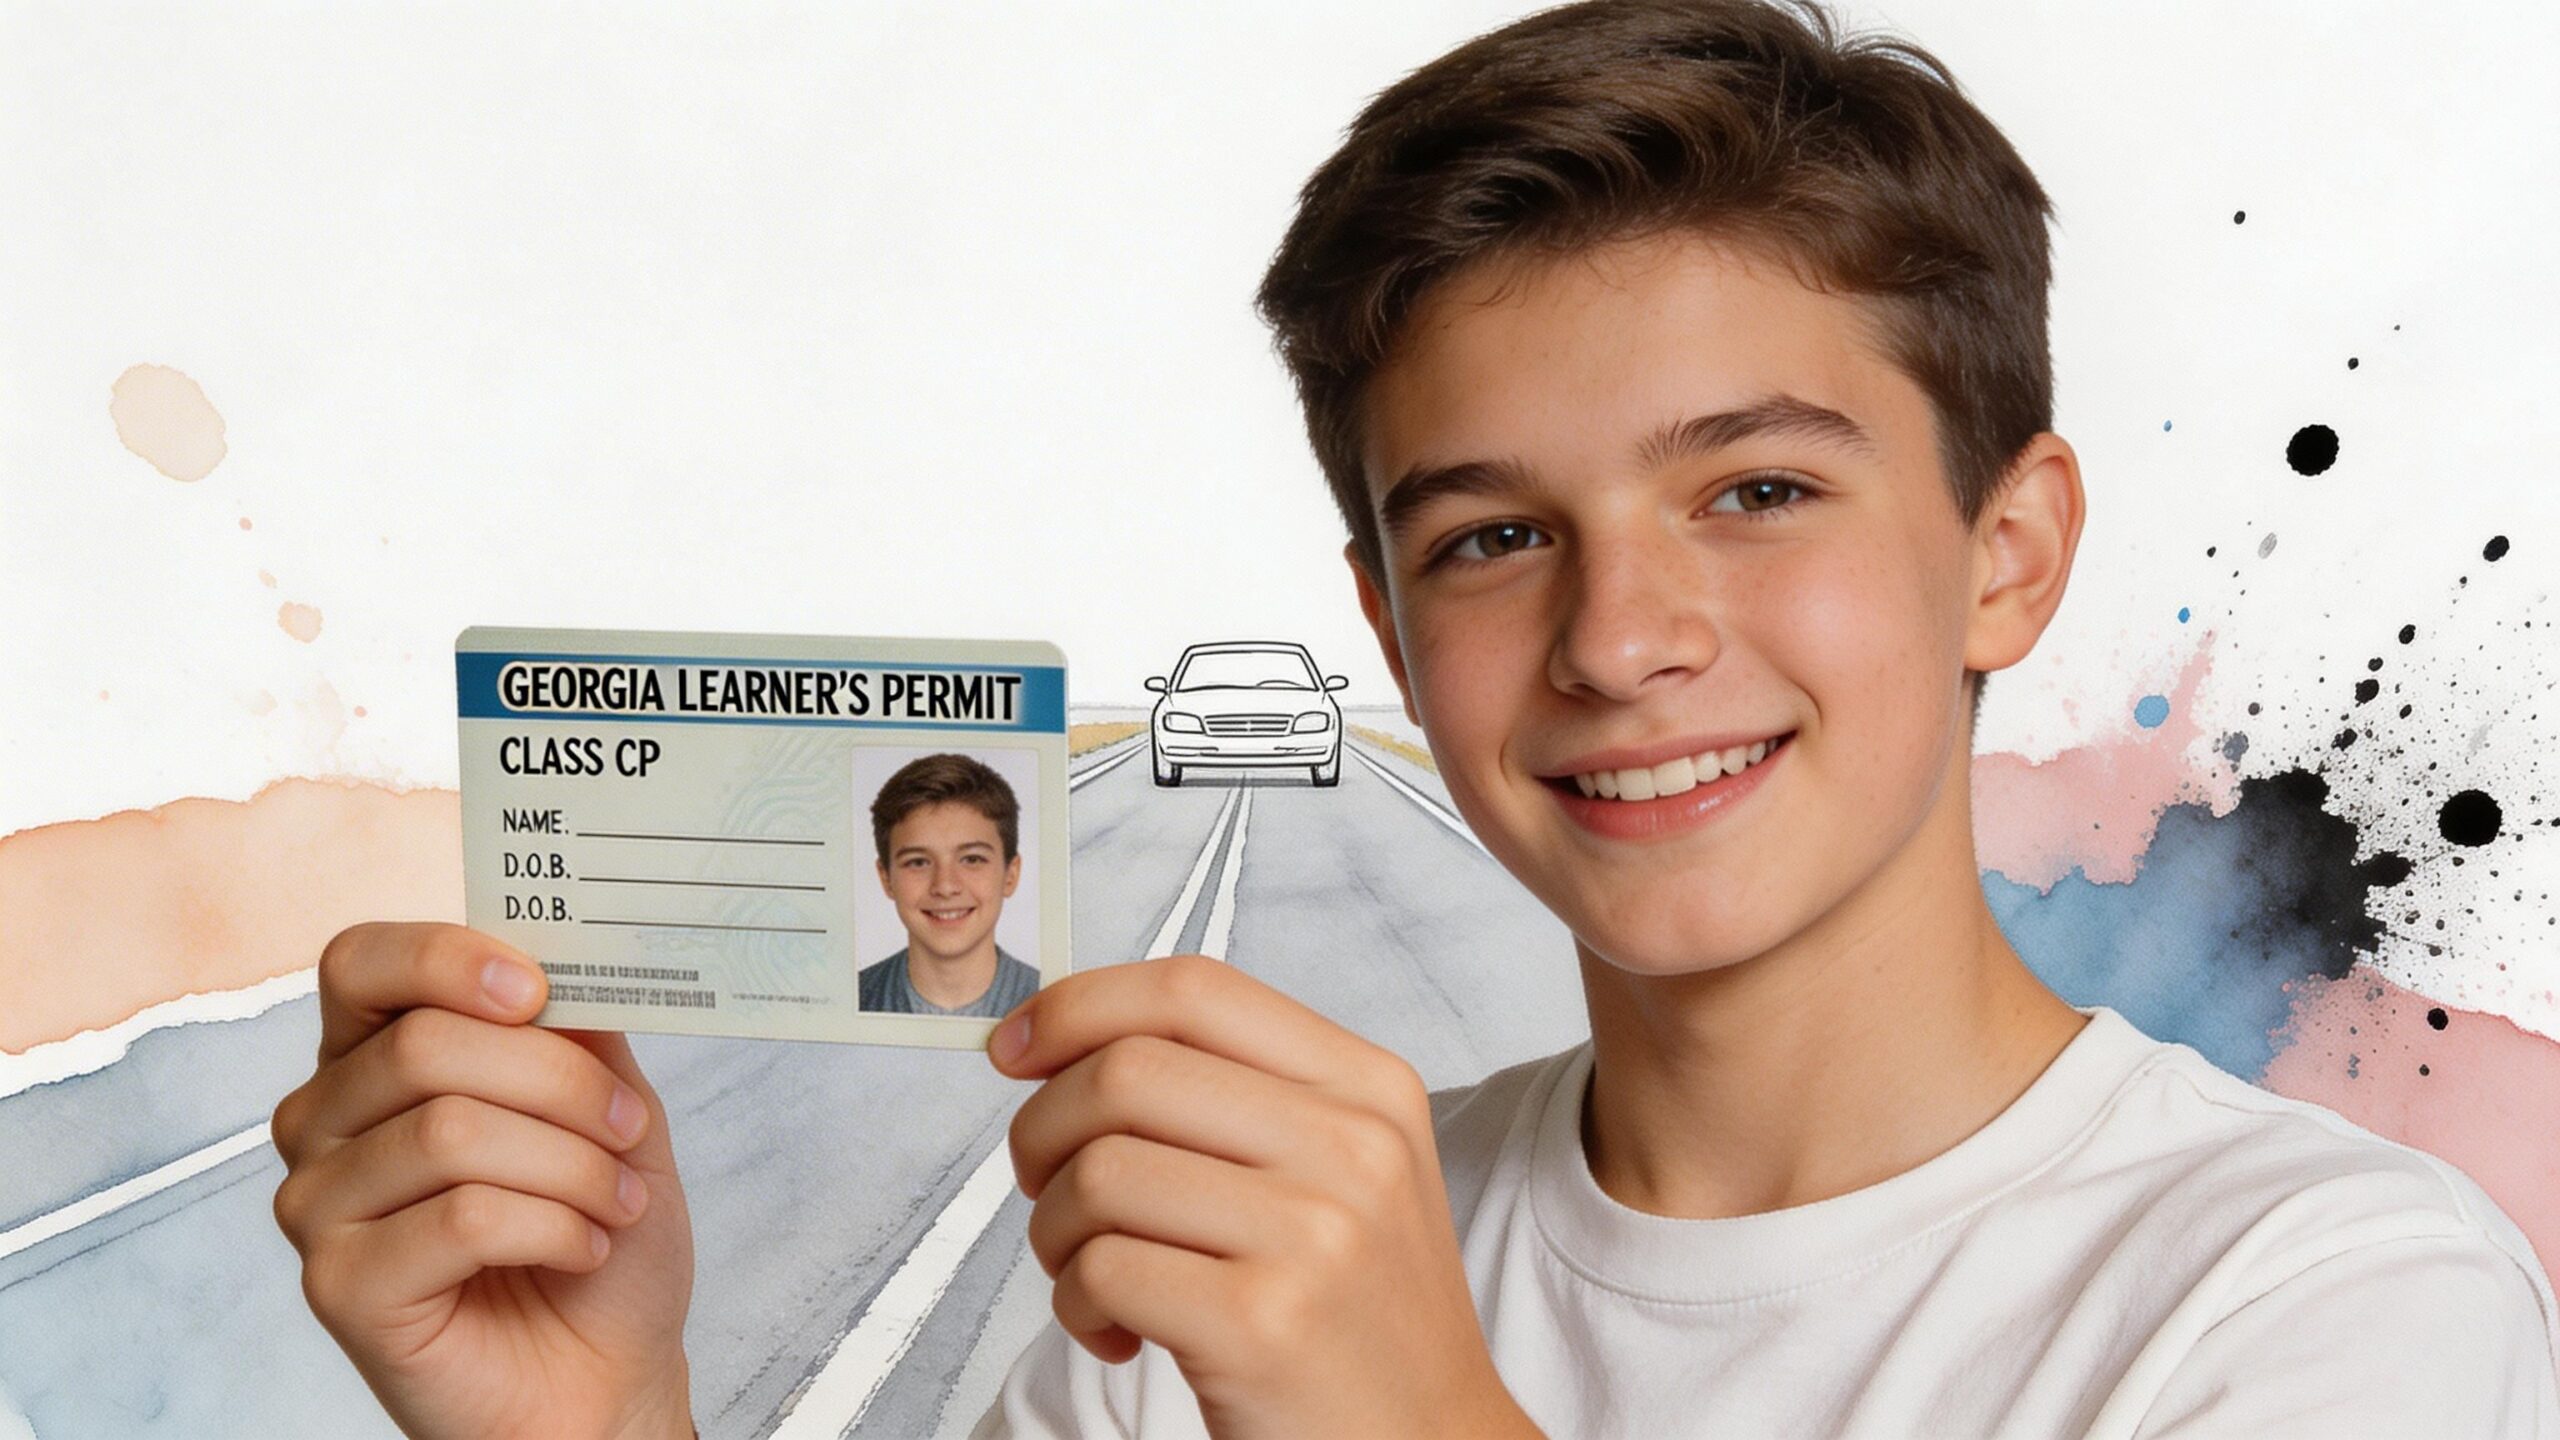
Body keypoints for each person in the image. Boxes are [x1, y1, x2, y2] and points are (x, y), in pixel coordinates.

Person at [270, 2, 2560, 1437]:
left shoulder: (2327, 1302)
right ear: (1382, 624)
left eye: (1754, 488)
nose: (1618, 634)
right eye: (1485, 535)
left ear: (2006, 546)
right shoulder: (1198, 1289)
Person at [859, 752, 1043, 1018]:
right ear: (886, 878)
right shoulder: (853, 998)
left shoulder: (1048, 999)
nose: (945, 886)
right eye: (918, 862)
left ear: (1010, 874)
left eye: (972, 859)